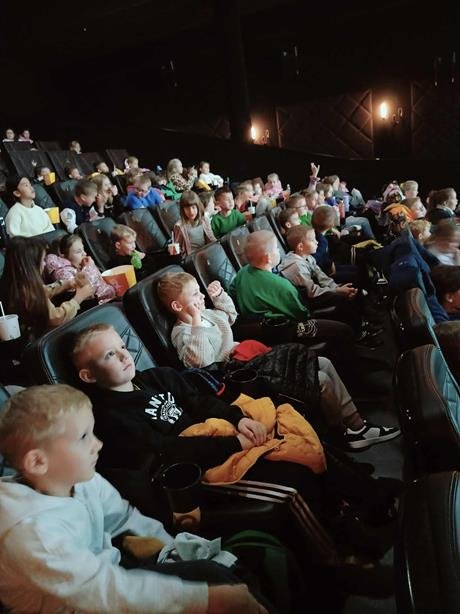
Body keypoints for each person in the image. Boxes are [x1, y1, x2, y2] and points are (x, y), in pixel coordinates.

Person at [0, 385, 267, 614]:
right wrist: (207, 600)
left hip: (108, 578)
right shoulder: (32, 534)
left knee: (219, 573)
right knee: (215, 588)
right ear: (38, 462)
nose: (97, 444)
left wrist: (172, 549)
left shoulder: (81, 480)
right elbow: (105, 592)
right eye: (83, 437)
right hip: (83, 603)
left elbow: (124, 517)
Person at [158, 271, 400, 449]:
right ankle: (344, 433)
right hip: (235, 374)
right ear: (177, 305)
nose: (201, 297)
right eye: (194, 295)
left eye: (200, 291)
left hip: (249, 357)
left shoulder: (207, 314)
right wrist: (196, 322)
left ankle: (356, 424)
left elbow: (230, 317)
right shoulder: (183, 333)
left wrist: (219, 296)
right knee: (320, 379)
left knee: (323, 361)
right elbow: (199, 361)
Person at [229, 229, 356, 349]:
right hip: (285, 330)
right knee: (344, 331)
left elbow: (232, 293)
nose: (279, 251)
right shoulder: (281, 285)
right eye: (276, 248)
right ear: (268, 258)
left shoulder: (241, 273)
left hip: (259, 329)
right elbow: (301, 314)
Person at [0, 236, 94, 339]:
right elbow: (56, 318)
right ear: (31, 266)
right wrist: (79, 298)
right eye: (42, 260)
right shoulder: (28, 292)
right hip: (42, 338)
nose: (44, 264)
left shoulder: (18, 284)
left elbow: (43, 290)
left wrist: (67, 283)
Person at [45, 234, 116, 304]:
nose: (84, 253)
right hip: (99, 304)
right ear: (64, 256)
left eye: (83, 249)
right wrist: (90, 267)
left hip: (108, 298)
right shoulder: (62, 273)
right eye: (78, 252)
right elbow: (89, 291)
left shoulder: (78, 266)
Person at [173, 190, 216, 255]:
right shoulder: (179, 226)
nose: (191, 212)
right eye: (187, 209)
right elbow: (178, 247)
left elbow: (211, 237)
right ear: (182, 210)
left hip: (206, 251)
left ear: (198, 207)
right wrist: (174, 249)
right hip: (192, 256)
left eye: (193, 207)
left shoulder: (204, 219)